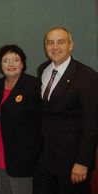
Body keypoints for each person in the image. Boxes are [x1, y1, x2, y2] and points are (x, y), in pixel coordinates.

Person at [33, 27, 98, 194]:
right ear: (45, 46)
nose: (55, 47)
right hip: (46, 159)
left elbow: (91, 123)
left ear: (71, 45)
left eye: (61, 42)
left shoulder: (87, 76)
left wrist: (83, 162)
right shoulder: (43, 70)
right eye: (50, 42)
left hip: (73, 163)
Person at [0, 45, 43, 194]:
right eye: (6, 60)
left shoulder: (33, 85)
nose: (11, 64)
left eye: (15, 60)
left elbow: (42, 122)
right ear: (0, 65)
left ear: (22, 64)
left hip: (24, 158)